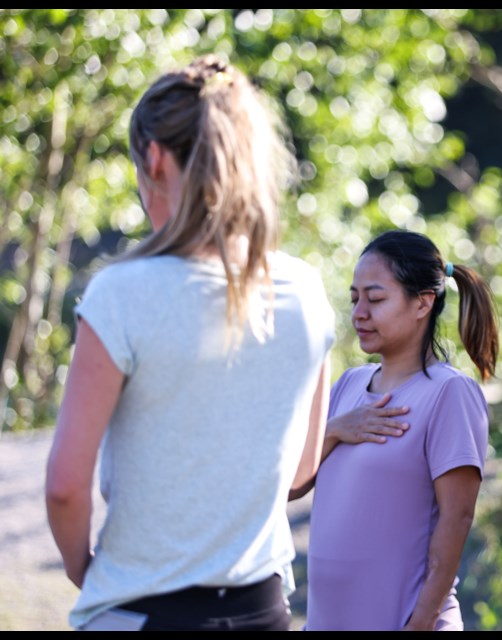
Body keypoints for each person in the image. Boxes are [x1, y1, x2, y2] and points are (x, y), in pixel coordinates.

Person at [44, 54, 336, 632]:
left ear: (154, 159)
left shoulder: (121, 293)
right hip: (264, 611)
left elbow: (64, 488)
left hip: (141, 612)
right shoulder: (304, 289)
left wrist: (88, 572)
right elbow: (302, 468)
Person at [301, 229, 498, 631]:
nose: (359, 313)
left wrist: (421, 624)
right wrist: (336, 430)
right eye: (355, 299)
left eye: (375, 299)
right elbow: (288, 486)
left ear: (423, 302)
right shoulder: (348, 386)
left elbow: (456, 518)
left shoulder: (449, 393)